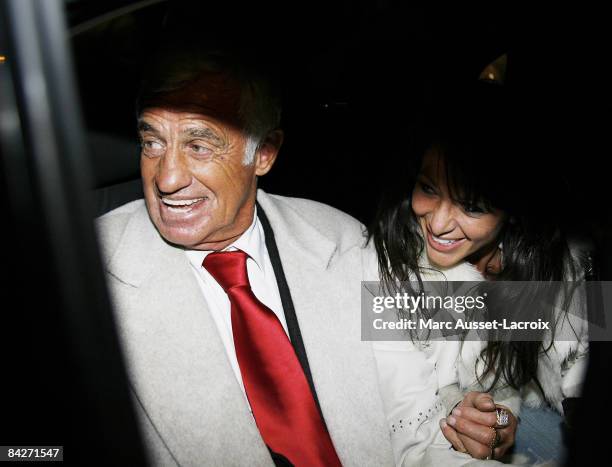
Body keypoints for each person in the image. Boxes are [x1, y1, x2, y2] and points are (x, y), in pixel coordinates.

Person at [95, 42, 397, 466]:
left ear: (264, 153)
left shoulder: (341, 237)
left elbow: (445, 327)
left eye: (199, 146)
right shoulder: (86, 271)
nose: (167, 178)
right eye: (153, 143)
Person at [369, 82, 588, 465]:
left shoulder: (566, 264)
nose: (437, 223)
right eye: (428, 188)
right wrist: (474, 419)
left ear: (512, 212)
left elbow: (570, 362)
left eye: (470, 206)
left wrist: (503, 420)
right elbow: (413, 405)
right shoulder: (388, 269)